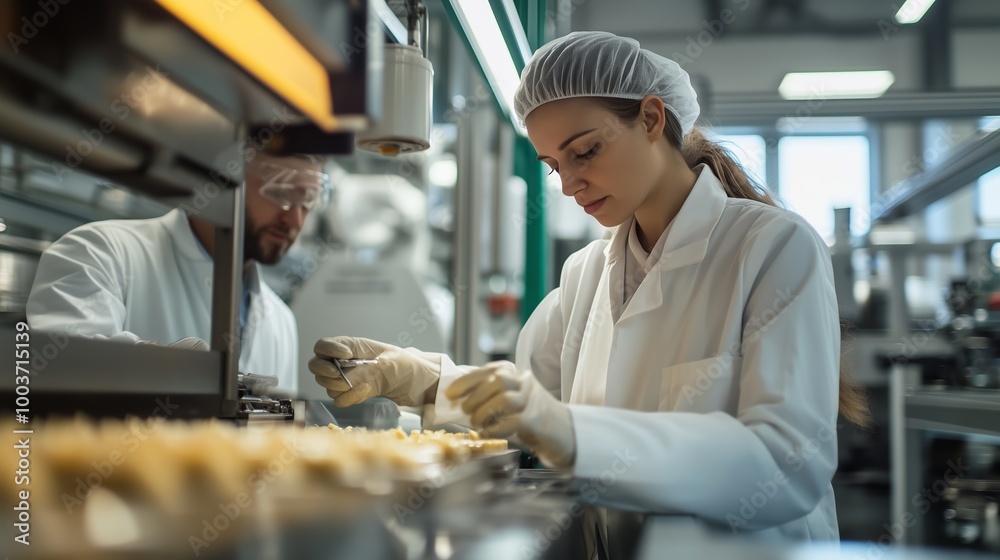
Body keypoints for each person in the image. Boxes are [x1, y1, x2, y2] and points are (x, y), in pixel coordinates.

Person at [307, 31, 870, 547]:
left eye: (585, 152)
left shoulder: (772, 247)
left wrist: (568, 429)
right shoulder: (586, 272)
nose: (570, 183)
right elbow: (523, 403)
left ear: (652, 118)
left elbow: (784, 467)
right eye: (554, 165)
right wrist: (425, 381)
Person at [27, 151, 330, 391]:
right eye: (281, 193)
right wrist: (166, 370)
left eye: (307, 201)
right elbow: (58, 379)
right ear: (225, 177)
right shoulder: (100, 252)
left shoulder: (281, 321)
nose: (294, 220)